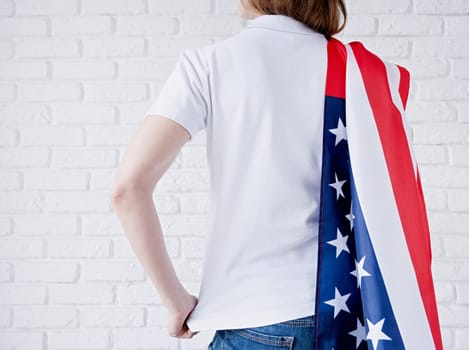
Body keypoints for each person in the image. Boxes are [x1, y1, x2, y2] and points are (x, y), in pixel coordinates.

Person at [111, 0, 348, 349]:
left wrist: (175, 300)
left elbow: (128, 189)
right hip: (347, 311)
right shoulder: (359, 72)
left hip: (256, 315)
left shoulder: (209, 64)